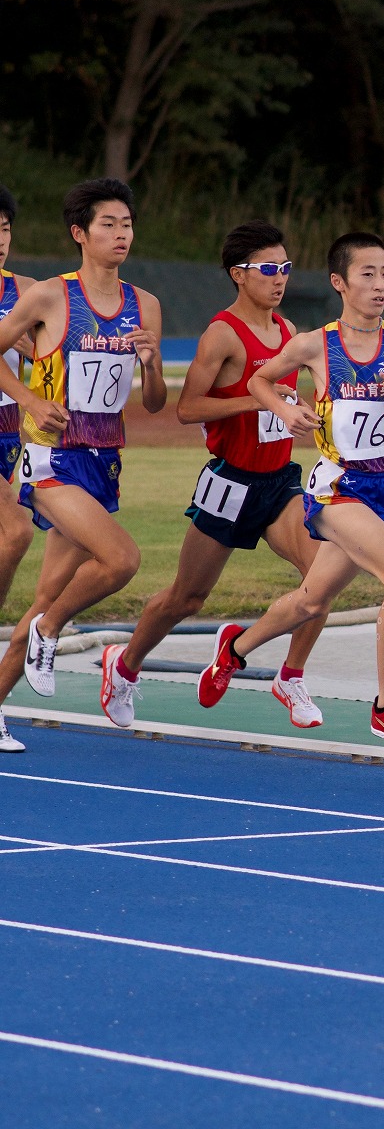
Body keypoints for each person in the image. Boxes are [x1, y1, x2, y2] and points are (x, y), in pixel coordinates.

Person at [196, 231, 384, 747]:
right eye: (367, 274)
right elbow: (259, 381)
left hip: (383, 490)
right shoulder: (315, 345)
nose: (380, 285)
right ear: (339, 283)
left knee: (310, 602)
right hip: (335, 488)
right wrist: (285, 409)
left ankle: (234, 649)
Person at [98, 220, 327, 730]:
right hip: (231, 483)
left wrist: (301, 409)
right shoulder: (223, 334)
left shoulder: (289, 332)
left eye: (285, 268)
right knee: (187, 597)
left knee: (323, 579)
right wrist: (259, 396)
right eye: (269, 269)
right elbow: (186, 409)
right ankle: (125, 664)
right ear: (238, 275)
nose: (280, 278)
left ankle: (289, 675)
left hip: (280, 481)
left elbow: (290, 396)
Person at [0, 178, 167, 741]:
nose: (121, 235)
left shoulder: (146, 305)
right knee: (121, 560)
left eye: (127, 224)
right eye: (108, 225)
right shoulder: (49, 297)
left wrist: (149, 364)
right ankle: (50, 631)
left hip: (103, 462)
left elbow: (153, 402)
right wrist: (28, 399)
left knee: (50, 592)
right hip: (50, 461)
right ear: (80, 233)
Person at [0, 186, 42, 753]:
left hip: (10, 433)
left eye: (5, 229)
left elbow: (44, 353)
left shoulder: (27, 293)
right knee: (16, 531)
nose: (0, 240)